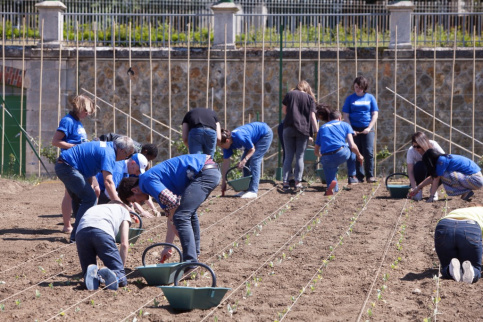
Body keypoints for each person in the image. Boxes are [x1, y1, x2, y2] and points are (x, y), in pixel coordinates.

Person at [117, 154, 221, 264]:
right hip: (208, 171)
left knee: (182, 216)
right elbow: (171, 217)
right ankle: (194, 255)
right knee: (187, 213)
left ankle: (190, 263)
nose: (138, 203)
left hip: (204, 173)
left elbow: (174, 204)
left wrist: (181, 233)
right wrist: (168, 246)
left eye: (133, 200)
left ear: (134, 190)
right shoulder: (149, 183)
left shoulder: (147, 181)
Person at [55, 136, 135, 243]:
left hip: (65, 165)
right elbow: (108, 181)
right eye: (127, 155)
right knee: (90, 198)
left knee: (79, 199)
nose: (125, 158)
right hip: (68, 167)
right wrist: (120, 203)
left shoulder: (107, 147)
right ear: (120, 150)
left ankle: (77, 235)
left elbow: (87, 163)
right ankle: (78, 236)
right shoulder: (109, 153)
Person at [51, 94, 94, 234]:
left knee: (76, 193)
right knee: (69, 195)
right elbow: (56, 141)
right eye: (86, 110)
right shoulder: (67, 121)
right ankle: (67, 225)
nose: (87, 114)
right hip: (70, 163)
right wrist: (76, 147)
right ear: (79, 107)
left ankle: (74, 223)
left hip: (80, 164)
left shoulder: (78, 122)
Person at [76, 201, 132, 291]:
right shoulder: (124, 211)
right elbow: (124, 244)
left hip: (81, 233)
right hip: (102, 232)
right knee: (121, 277)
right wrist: (120, 269)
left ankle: (94, 278)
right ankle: (117, 278)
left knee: (90, 268)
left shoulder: (95, 208)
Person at [314, 104, 364, 196]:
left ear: (329, 118)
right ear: (340, 118)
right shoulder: (345, 125)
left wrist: (320, 156)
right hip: (341, 153)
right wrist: (359, 155)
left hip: (326, 156)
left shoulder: (322, 128)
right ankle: (352, 176)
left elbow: (316, 150)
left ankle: (332, 188)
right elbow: (353, 146)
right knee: (349, 145)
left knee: (330, 173)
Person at [219, 122, 273, 199]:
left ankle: (253, 191)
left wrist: (244, 160)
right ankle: (246, 189)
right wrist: (223, 182)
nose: (221, 148)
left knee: (254, 160)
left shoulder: (239, 136)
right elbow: (225, 163)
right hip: (254, 139)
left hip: (264, 134)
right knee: (245, 162)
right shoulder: (227, 146)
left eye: (221, 145)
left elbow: (252, 149)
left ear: (227, 141)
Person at [281, 80, 318, 191]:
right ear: (307, 88)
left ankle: (286, 182)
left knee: (288, 156)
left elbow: (284, 111)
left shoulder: (290, 94)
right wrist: (316, 131)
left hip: (288, 128)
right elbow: (312, 116)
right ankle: (297, 182)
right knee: (300, 157)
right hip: (303, 130)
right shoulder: (310, 98)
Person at [408, 149, 483, 202]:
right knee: (443, 174)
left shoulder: (441, 161)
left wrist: (431, 197)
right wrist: (417, 188)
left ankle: (465, 192)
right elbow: (432, 178)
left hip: (476, 180)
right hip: (475, 179)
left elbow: (436, 179)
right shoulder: (443, 159)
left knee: (445, 175)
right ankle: (466, 192)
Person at [342, 75, 378, 183]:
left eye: (360, 87)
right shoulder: (350, 99)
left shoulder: (370, 98)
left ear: (364, 87)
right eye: (356, 87)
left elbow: (375, 114)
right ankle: (358, 176)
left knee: (368, 152)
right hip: (354, 129)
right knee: (356, 151)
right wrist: (350, 129)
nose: (358, 89)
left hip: (367, 129)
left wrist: (369, 127)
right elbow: (345, 115)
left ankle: (370, 176)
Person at [434, 206, 483, 284]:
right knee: (475, 266)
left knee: (446, 263)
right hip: (470, 227)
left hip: (444, 225)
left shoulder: (460, 210)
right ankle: (472, 271)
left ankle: (450, 269)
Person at [407, 132, 445, 201]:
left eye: (418, 146)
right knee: (419, 165)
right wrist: (414, 187)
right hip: (422, 172)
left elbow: (445, 161)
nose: (416, 149)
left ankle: (433, 189)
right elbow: (410, 170)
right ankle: (419, 191)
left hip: (435, 172)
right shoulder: (411, 151)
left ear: (423, 143)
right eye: (414, 146)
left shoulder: (433, 145)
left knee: (442, 169)